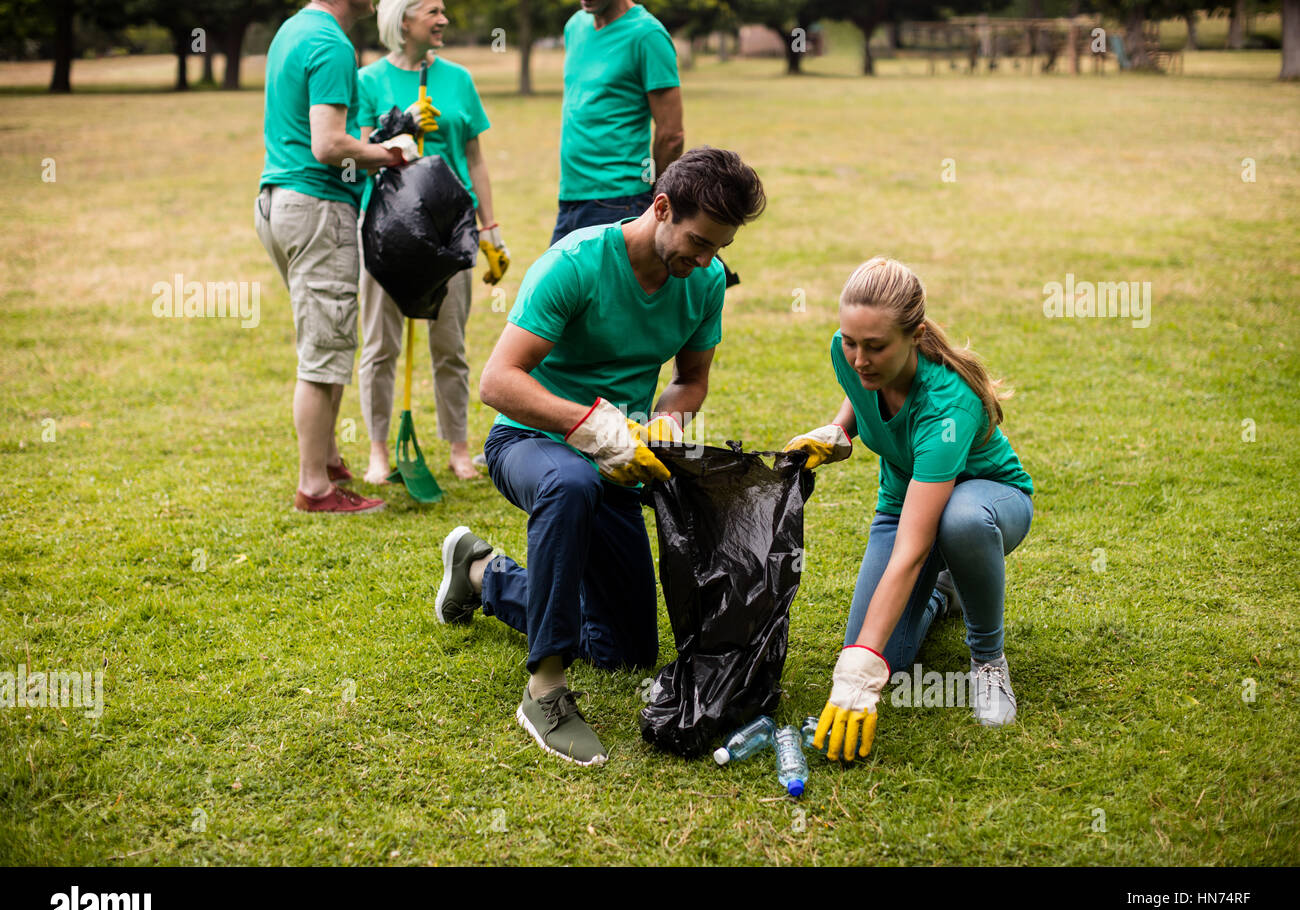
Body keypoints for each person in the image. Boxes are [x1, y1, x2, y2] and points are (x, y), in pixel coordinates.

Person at [433, 148, 766, 767]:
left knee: (625, 650)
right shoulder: (575, 265)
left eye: (717, 249)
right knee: (570, 484)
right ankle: (545, 691)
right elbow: (498, 382)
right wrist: (593, 427)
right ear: (661, 207)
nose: (704, 262)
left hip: (618, 461)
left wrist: (666, 420)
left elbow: (691, 378)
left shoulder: (705, 282)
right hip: (533, 443)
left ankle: (480, 574)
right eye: (697, 242)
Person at [785, 258, 1035, 763]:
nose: (858, 358)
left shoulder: (948, 405)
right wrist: (838, 430)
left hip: (988, 501)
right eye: (850, 341)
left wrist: (856, 677)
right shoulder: (850, 353)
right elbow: (860, 390)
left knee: (956, 523)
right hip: (904, 505)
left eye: (875, 346)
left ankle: (988, 662)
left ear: (915, 335)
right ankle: (947, 594)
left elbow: (912, 549)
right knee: (887, 661)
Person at [255, 0, 431, 513]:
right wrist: (391, 154)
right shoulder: (331, 43)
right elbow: (328, 144)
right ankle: (316, 488)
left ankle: (327, 456)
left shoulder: (294, 30)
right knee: (326, 350)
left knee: (322, 332)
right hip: (316, 206)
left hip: (277, 202)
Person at [357, 0, 508, 484]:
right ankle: (379, 452)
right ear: (404, 20)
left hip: (450, 228)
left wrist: (490, 229)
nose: (444, 19)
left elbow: (475, 160)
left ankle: (459, 449)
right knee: (381, 344)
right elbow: (361, 154)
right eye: (433, 11)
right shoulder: (368, 80)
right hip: (388, 230)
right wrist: (400, 127)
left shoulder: (459, 79)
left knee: (451, 344)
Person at [550, 0, 684, 246]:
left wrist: (655, 194)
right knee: (557, 284)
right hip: (570, 195)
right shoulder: (575, 26)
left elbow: (671, 134)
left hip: (621, 200)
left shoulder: (647, 35)